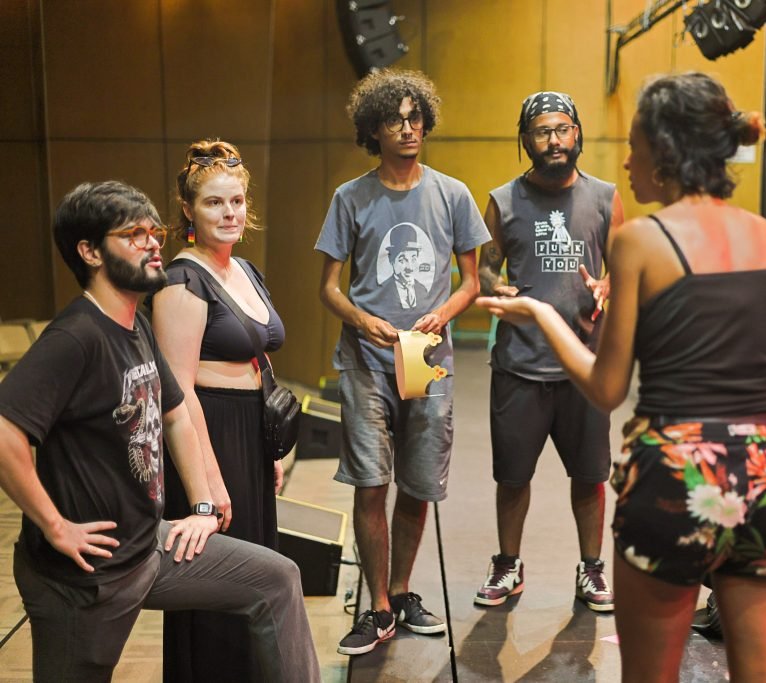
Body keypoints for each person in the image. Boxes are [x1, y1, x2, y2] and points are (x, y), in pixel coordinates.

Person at [479, 72, 766, 682]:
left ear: (665, 153)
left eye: (636, 145)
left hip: (672, 483)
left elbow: (606, 387)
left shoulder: (641, 240)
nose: (628, 160)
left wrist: (537, 312)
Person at [0, 181, 319, 682]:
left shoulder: (135, 324)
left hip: (150, 546)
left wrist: (202, 507)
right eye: (134, 234)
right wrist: (54, 526)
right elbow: (4, 433)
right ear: (90, 251)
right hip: (86, 576)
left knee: (277, 578)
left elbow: (174, 412)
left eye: (155, 231)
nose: (153, 243)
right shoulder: (75, 336)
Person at [315, 68, 490, 656]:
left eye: (416, 118)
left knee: (417, 484)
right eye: (395, 119)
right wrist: (361, 319)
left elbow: (472, 282)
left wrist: (443, 314)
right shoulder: (351, 197)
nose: (409, 128)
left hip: (426, 359)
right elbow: (329, 289)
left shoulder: (453, 193)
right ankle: (379, 608)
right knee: (371, 482)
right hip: (367, 360)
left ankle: (402, 591)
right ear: (375, 128)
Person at [475, 91, 623, 611]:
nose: (554, 139)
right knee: (512, 478)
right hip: (519, 365)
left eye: (563, 129)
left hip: (585, 366)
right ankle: (508, 564)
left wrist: (609, 285)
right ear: (526, 139)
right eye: (542, 131)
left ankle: (592, 569)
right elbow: (484, 267)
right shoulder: (504, 199)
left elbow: (623, 267)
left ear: (577, 134)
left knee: (589, 477)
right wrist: (496, 284)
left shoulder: (605, 196)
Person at [151, 139, 287, 680]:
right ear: (188, 210)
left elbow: (257, 361)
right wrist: (208, 485)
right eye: (214, 203)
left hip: (249, 437)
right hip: (210, 436)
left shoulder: (245, 270)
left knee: (256, 584)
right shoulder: (183, 281)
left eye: (236, 201)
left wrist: (270, 449)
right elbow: (176, 394)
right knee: (218, 588)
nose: (229, 213)